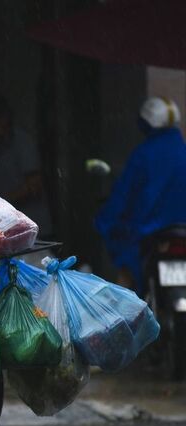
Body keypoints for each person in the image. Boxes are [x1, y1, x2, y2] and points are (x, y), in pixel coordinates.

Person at [95, 96, 186, 295]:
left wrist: (106, 220)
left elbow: (122, 198)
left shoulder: (143, 155)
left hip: (149, 234)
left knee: (125, 279)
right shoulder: (181, 151)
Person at [0, 93, 53, 239]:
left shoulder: (23, 143)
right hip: (6, 227)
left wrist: (2, 203)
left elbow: (34, 184)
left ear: (3, 120)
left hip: (33, 225)